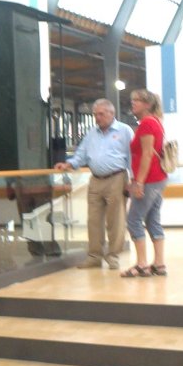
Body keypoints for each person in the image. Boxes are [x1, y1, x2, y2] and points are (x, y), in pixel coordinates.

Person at [54, 98, 133, 269]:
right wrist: (69, 164)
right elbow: (81, 154)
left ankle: (113, 256)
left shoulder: (124, 131)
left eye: (101, 114)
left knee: (116, 221)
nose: (97, 118)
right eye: (95, 114)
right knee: (93, 220)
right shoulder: (91, 133)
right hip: (95, 180)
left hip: (117, 179)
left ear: (111, 113)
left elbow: (132, 156)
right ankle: (94, 256)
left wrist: (132, 181)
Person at [120, 89, 168, 278]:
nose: (133, 103)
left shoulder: (147, 123)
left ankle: (141, 264)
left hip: (149, 180)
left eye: (137, 100)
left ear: (147, 104)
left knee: (133, 220)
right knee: (152, 219)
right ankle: (159, 263)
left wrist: (138, 182)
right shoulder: (156, 121)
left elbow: (147, 154)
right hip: (158, 178)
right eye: (132, 100)